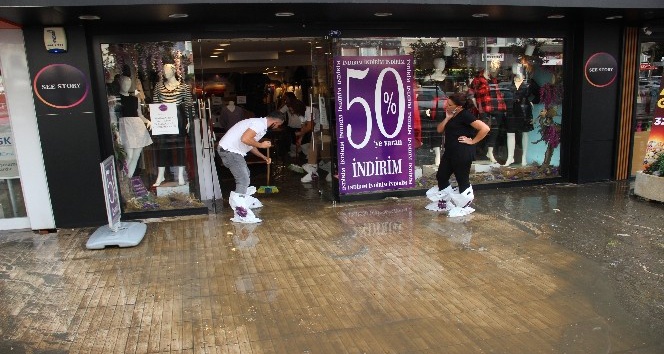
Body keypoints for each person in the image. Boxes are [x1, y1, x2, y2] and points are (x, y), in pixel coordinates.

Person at [426, 92, 490, 216]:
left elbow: (485, 128)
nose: (446, 106)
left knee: (462, 179)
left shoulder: (466, 115)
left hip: (462, 152)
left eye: (449, 104)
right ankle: (445, 202)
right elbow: (439, 129)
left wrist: (472, 141)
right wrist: (448, 117)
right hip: (450, 151)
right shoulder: (452, 115)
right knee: (441, 175)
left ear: (459, 106)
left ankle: (464, 206)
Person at [217, 111, 284, 194]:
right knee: (243, 180)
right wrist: (261, 145)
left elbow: (250, 144)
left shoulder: (259, 124)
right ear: (275, 122)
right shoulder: (259, 124)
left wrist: (263, 157)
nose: (277, 127)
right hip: (230, 151)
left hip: (230, 151)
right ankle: (239, 204)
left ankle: (242, 198)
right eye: (278, 125)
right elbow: (245, 139)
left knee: (246, 174)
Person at [152, 63, 194, 186]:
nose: (165, 72)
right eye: (163, 69)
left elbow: (188, 104)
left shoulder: (183, 87)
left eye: (167, 69)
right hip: (163, 118)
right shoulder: (159, 87)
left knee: (180, 146)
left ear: (174, 70)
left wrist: (189, 120)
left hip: (178, 117)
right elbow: (155, 104)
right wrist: (155, 120)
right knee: (162, 147)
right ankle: (160, 175)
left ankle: (180, 175)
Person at [117, 75, 152, 177]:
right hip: (125, 127)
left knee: (136, 155)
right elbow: (113, 116)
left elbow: (139, 115)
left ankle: (129, 178)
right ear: (120, 83)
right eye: (124, 83)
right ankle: (122, 177)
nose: (126, 85)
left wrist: (148, 121)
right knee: (129, 155)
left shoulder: (135, 99)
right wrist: (116, 132)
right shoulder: (117, 99)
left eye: (128, 83)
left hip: (138, 127)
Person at [469, 69, 506, 163]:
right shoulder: (477, 79)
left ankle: (490, 152)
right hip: (484, 107)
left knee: (495, 130)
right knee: (481, 129)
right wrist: (477, 106)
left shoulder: (493, 79)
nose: (493, 67)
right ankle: (474, 152)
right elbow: (471, 94)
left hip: (497, 107)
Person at [504, 72, 534, 166]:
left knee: (525, 133)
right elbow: (505, 98)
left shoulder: (528, 85)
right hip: (511, 110)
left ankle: (523, 157)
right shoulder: (509, 86)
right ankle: (510, 157)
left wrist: (531, 102)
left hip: (524, 110)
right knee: (510, 133)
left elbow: (537, 95)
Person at [290, 98, 321, 182]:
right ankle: (313, 170)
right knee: (313, 149)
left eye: (292, 110)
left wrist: (300, 134)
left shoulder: (309, 110)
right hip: (315, 131)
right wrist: (300, 139)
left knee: (313, 149)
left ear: (297, 107)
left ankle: (313, 171)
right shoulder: (300, 115)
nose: (291, 112)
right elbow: (303, 127)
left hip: (321, 129)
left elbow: (310, 126)